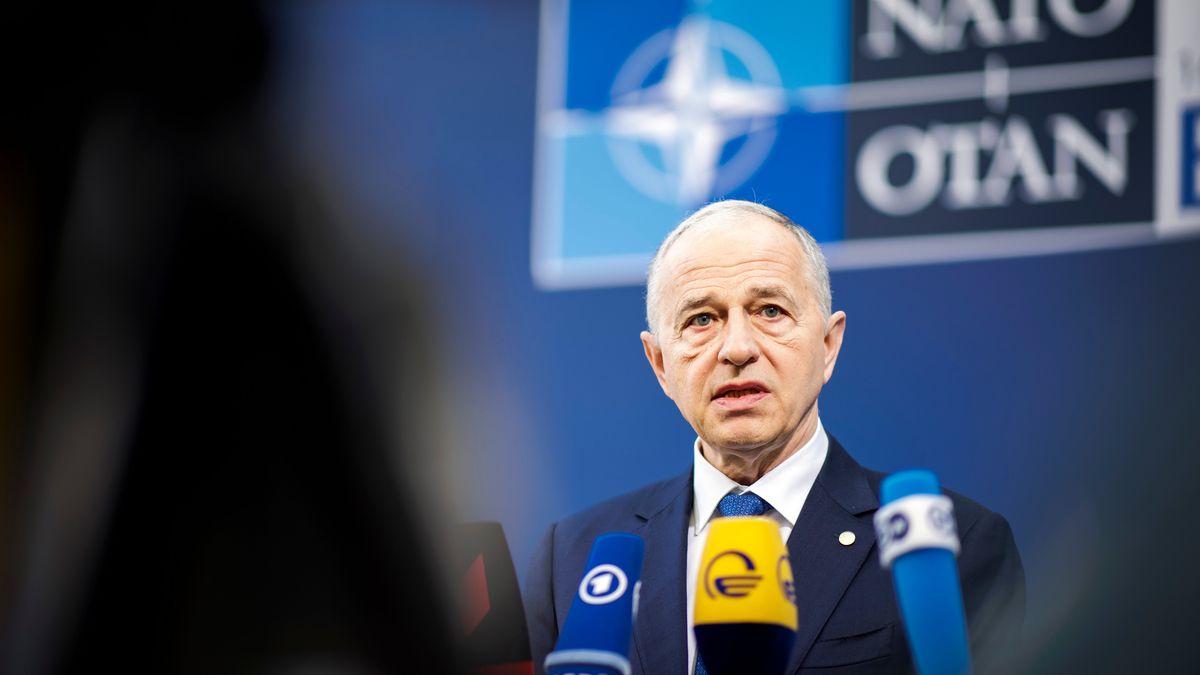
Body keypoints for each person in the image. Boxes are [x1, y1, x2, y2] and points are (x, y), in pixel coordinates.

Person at [524, 200, 1024, 674]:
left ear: (828, 345)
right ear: (659, 364)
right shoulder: (572, 560)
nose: (737, 348)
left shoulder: (952, 545)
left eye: (769, 311)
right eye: (702, 319)